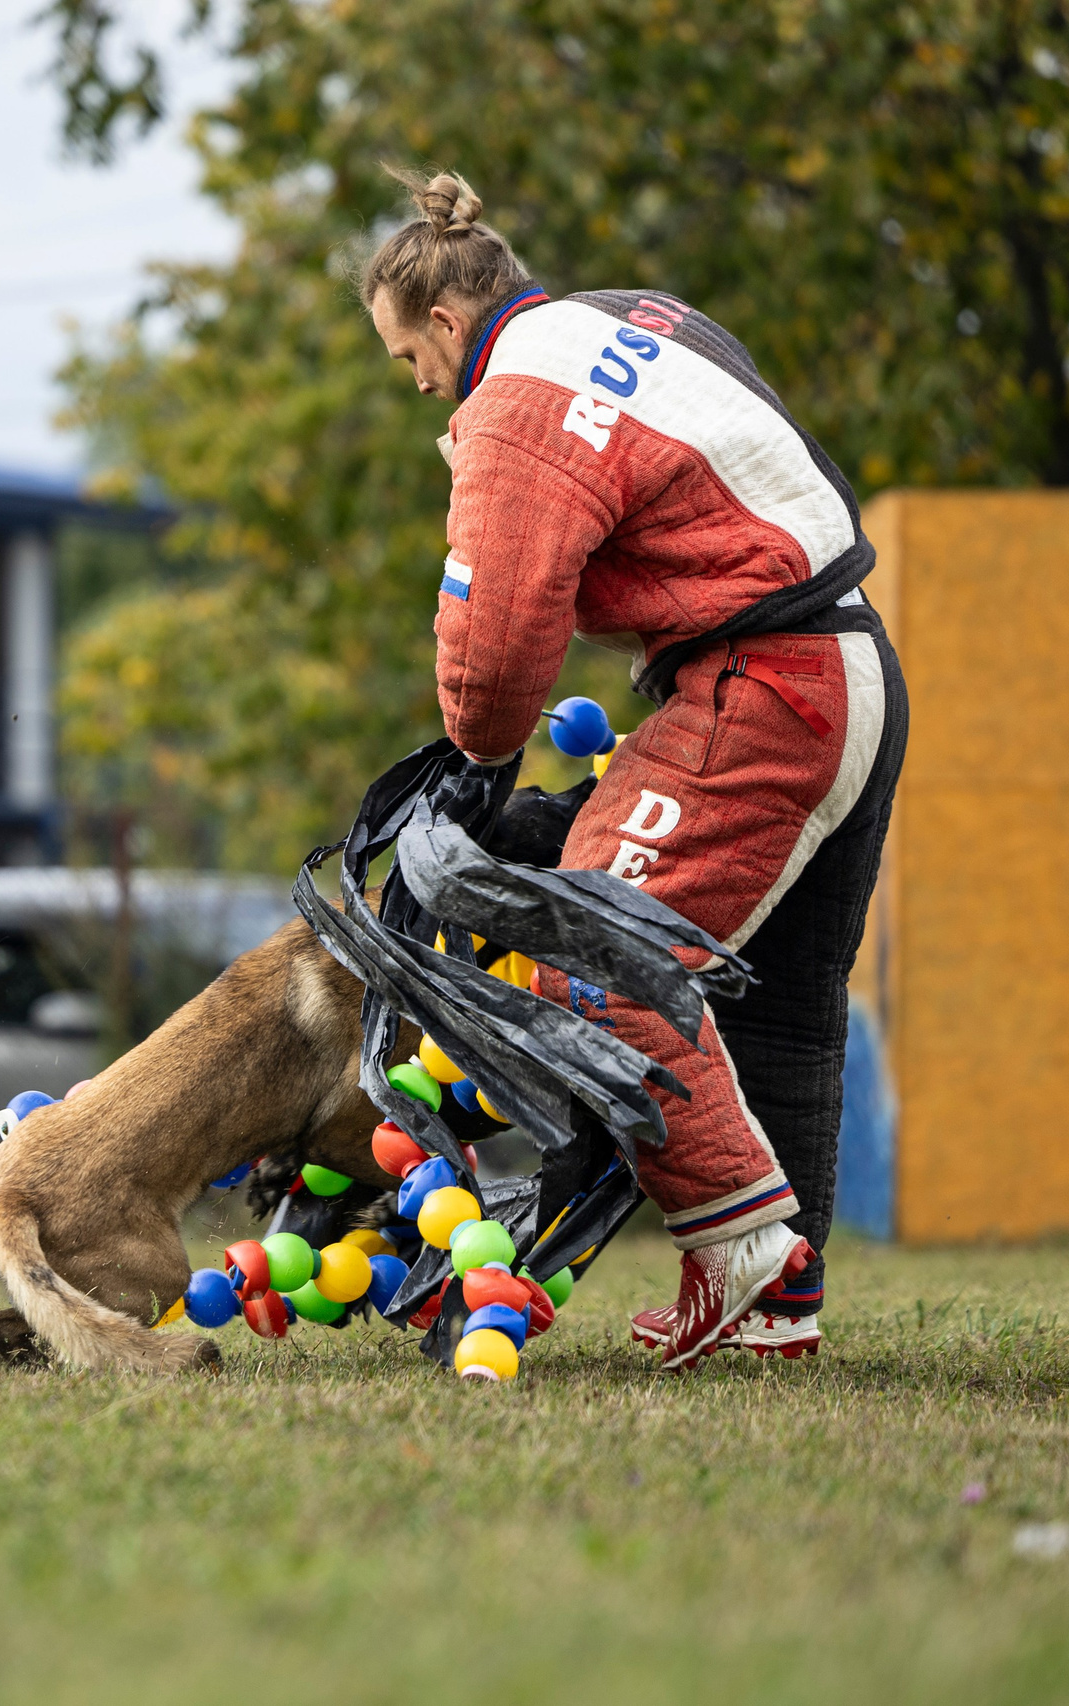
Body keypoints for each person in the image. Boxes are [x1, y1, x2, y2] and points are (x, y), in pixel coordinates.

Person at [359, 167, 908, 1369]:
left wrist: (472, 762)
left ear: (448, 323)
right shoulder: (630, 318)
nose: (420, 388)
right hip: (851, 658)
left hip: (765, 688)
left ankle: (749, 1251)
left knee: (596, 958)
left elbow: (498, 648)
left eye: (410, 361)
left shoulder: (514, 408)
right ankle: (777, 1307)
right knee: (787, 1021)